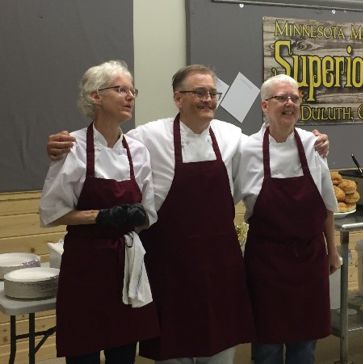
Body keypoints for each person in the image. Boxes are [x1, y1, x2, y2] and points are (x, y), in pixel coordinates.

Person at [46, 64, 331, 364]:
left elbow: (275, 142)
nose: (208, 99)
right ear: (178, 99)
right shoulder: (147, 137)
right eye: (199, 92)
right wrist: (58, 146)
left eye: (212, 93)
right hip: (171, 269)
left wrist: (317, 143)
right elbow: (108, 143)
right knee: (173, 352)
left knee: (220, 353)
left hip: (221, 269)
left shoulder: (233, 137)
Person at [39, 60, 159, 364]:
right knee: (84, 354)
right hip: (85, 267)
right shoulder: (73, 147)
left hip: (126, 266)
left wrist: (138, 217)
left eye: (133, 90)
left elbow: (148, 211)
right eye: (121, 89)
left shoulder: (138, 151)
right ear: (95, 96)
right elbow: (52, 212)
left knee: (123, 354)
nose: (130, 96)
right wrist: (100, 217)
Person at [234, 74, 340, 364]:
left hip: (309, 257)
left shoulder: (313, 144)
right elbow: (226, 200)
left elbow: (327, 205)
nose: (290, 102)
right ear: (265, 106)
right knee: (267, 345)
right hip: (266, 262)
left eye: (295, 97)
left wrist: (333, 251)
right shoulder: (246, 149)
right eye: (282, 97)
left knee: (304, 346)